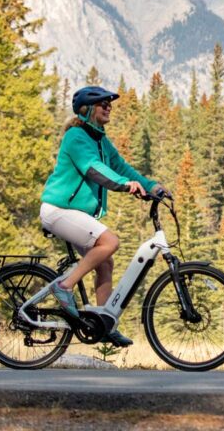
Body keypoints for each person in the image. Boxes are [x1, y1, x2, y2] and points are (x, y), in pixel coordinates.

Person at [39, 85, 168, 347]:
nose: (109, 107)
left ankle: (104, 322)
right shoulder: (76, 136)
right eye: (103, 104)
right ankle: (64, 287)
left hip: (75, 213)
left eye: (110, 104)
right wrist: (124, 185)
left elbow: (121, 166)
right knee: (110, 242)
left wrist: (151, 185)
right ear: (86, 110)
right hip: (58, 210)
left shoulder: (100, 140)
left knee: (105, 262)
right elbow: (94, 169)